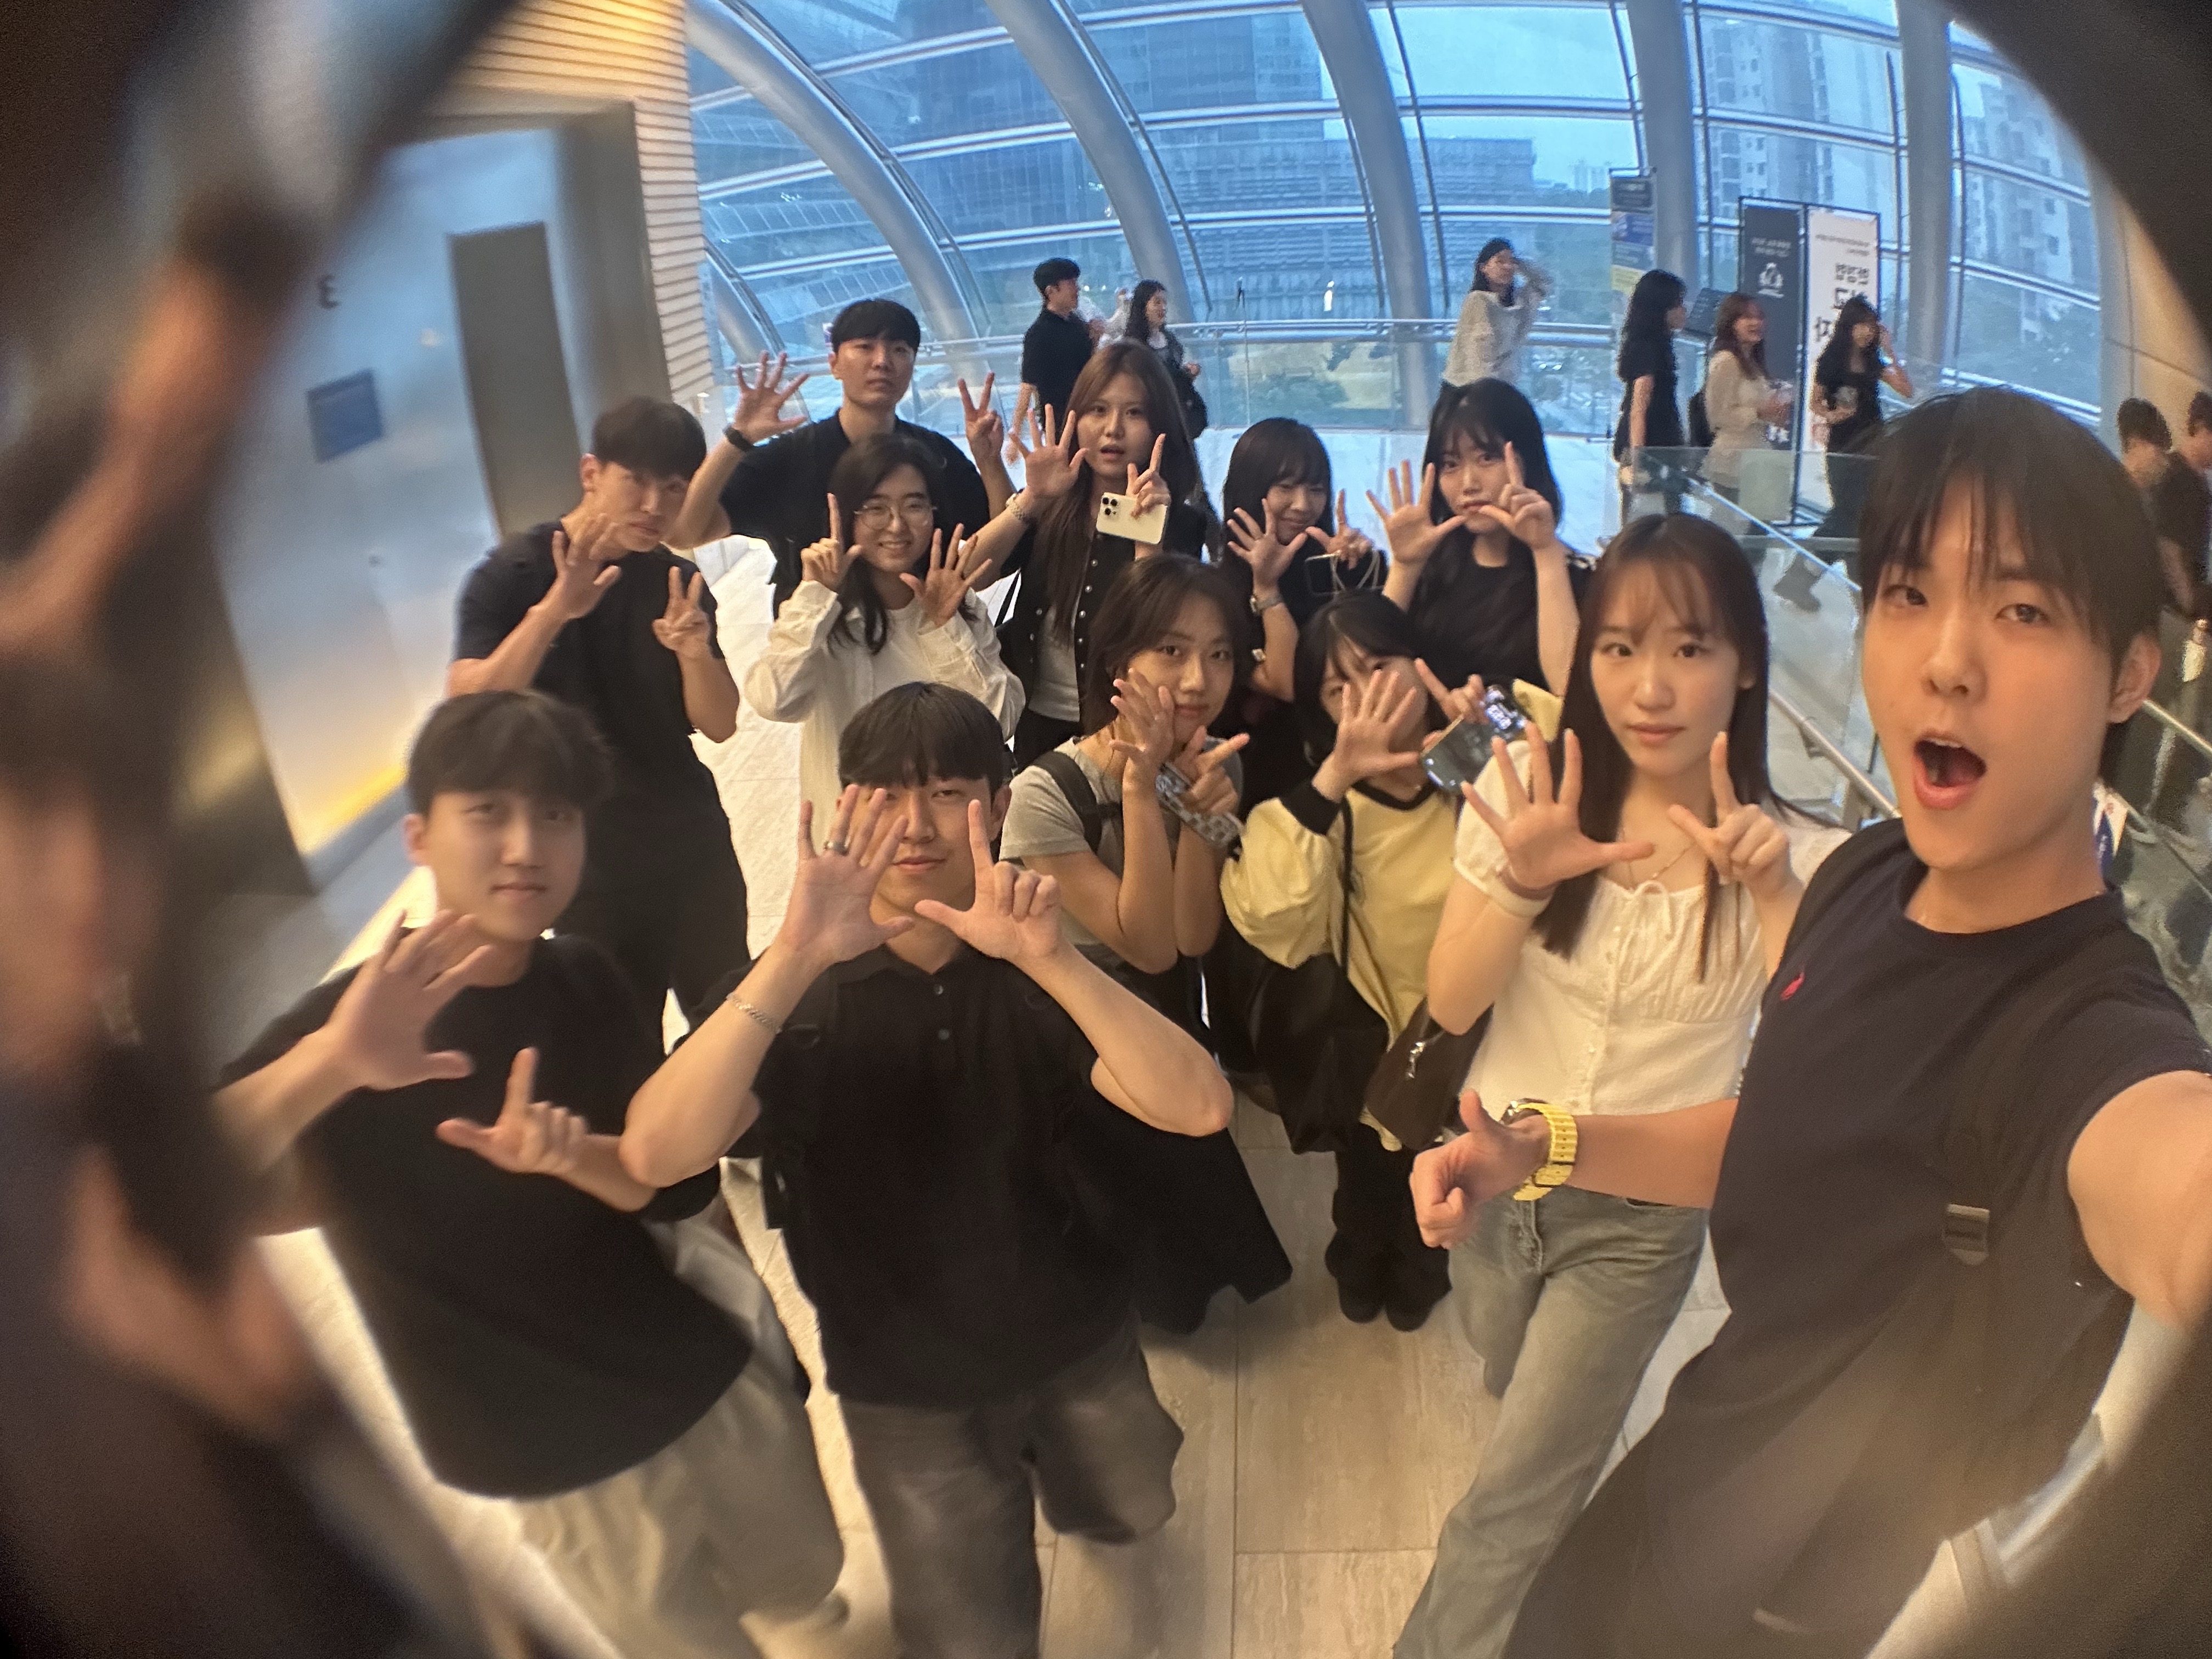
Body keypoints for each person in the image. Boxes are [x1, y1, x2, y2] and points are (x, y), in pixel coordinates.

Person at [1410, 388, 2212, 1659]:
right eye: (1907, 594)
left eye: (2021, 610)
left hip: (1792, 1602)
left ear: (2128, 674)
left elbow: (2170, 1179)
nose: (1947, 660)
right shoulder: (1866, 876)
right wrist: (1547, 1147)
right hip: (1687, 1479)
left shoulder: (2093, 1041)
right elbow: (1786, 1130)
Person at [214, 691, 845, 1659]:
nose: (525, 846)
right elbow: (182, 1186)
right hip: (544, 1442)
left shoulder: (585, 977)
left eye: (555, 814)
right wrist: (334, 1062)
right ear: (420, 835)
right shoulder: (348, 1023)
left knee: (803, 1568)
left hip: (690, 1363)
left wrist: (577, 1159)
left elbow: (656, 1188)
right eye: (488, 812)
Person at [617, 684, 1235, 1659]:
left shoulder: (1033, 969)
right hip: (903, 1382)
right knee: (969, 1631)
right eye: (887, 794)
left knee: (1129, 1503)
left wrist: (1052, 962)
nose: (915, 824)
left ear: (997, 803)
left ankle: (1100, 1521)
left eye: (948, 793)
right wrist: (793, 954)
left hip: (1077, 1334)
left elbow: (1199, 1105)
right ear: (845, 804)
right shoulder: (800, 997)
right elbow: (657, 1153)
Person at [1392, 512, 1843, 1659]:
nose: (1651, 686)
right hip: (1492, 1175)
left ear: (1747, 663)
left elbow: (1821, 1072)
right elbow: (1451, 1001)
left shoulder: (1800, 856)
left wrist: (1776, 897)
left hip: (1644, 1224)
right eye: (1620, 647)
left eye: (1691, 648)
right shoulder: (1527, 796)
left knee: (1515, 1498)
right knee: (1500, 1353)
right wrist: (1523, 882)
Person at [999, 555, 1292, 1333]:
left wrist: (1200, 821)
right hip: (1072, 1023)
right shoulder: (1045, 794)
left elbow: (1191, 938)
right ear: (1116, 662)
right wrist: (1139, 788)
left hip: (1158, 1008)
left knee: (1181, 1172)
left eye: (1220, 653)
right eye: (1171, 650)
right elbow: (1147, 946)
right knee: (1113, 1194)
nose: (1199, 679)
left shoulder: (1209, 767)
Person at [448, 396, 747, 1027]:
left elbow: (720, 725)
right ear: (592, 473)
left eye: (674, 488)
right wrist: (556, 611)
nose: (654, 506)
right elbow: (469, 706)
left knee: (727, 1025)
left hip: (692, 846)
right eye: (635, 481)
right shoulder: (514, 574)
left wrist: (694, 653)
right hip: (583, 864)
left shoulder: (675, 581)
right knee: (617, 1043)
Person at [1221, 592, 1463, 1331]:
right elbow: (1271, 920)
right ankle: (1357, 1264)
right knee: (1366, 1180)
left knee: (1444, 1182)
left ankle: (1420, 1274)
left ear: (1419, 666)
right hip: (1370, 1047)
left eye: (1379, 665)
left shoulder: (1477, 772)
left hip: (1470, 1044)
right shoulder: (1318, 813)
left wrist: (1484, 747)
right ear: (1321, 714)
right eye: (1338, 688)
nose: (1367, 696)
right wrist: (1333, 779)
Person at [742, 433, 1022, 836]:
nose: (896, 525)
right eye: (875, 508)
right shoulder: (823, 613)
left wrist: (945, 628)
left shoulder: (960, 606)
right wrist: (815, 596)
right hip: (850, 840)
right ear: (845, 516)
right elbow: (774, 701)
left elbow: (998, 724)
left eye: (914, 505)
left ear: (934, 513)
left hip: (941, 839)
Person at [668, 300, 1005, 614]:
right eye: (865, 347)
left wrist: (990, 463)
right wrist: (737, 439)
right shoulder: (791, 457)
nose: (882, 361)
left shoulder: (935, 454)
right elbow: (685, 533)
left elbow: (999, 550)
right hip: (817, 636)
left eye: (900, 350)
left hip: (922, 628)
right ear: (834, 365)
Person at [988, 341, 1206, 766]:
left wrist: (1148, 533)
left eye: (1135, 413)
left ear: (1160, 425)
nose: (1113, 429)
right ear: (1076, 417)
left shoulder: (1181, 523)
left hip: (1121, 730)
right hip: (1037, 726)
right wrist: (1031, 496)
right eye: (1098, 410)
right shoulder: (1052, 503)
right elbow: (971, 574)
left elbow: (1160, 636)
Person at [1375, 378, 1589, 698]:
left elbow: (1569, 688)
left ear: (1527, 461)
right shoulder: (1431, 563)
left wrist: (1545, 552)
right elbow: (1371, 666)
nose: (1468, 483)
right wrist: (1405, 568)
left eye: (1487, 458)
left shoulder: (1574, 574)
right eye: (1451, 464)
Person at [1209, 417, 1384, 808]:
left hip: (1345, 766)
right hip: (1258, 776)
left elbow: (1379, 658)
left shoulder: (1328, 571)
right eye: (1286, 487)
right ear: (1251, 489)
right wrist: (1267, 587)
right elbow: (1287, 682)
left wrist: (1352, 578)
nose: (1303, 505)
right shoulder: (1218, 593)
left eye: (1316, 489)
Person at [1802, 294, 1915, 556]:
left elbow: (1907, 390)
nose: (1867, 332)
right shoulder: (1831, 361)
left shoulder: (1873, 361)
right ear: (1849, 327)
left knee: (1864, 509)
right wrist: (1831, 416)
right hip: (1843, 441)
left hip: (1873, 441)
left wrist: (1891, 352)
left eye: (1872, 326)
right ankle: (1812, 563)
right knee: (1846, 510)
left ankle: (1825, 565)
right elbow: (1815, 402)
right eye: (1862, 325)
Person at [2117, 397, 2211, 616]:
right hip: (2169, 605)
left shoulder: (2199, 484)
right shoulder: (2175, 476)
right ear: (2200, 428)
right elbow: (2168, 545)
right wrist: (2189, 602)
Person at [1702, 293, 1792, 505]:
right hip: (1732, 462)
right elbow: (1717, 415)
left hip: (1758, 458)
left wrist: (1775, 413)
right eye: (1747, 318)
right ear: (1731, 323)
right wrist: (1759, 412)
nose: (1756, 323)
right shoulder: (1727, 361)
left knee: (1763, 521)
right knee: (1736, 521)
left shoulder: (1753, 362)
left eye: (1759, 317)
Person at [1613, 267, 1690, 515]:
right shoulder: (1648, 348)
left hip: (1659, 447)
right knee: (1653, 519)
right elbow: (1639, 408)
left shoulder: (1654, 344)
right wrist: (1639, 460)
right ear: (1661, 308)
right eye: (1678, 304)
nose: (1684, 311)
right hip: (1651, 448)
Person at [1446, 238, 1553, 390]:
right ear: (1483, 267)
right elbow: (1479, 352)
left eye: (1511, 262)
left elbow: (1544, 282)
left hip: (1504, 385)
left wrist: (1520, 264)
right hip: (1473, 389)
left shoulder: (1520, 301)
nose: (1508, 267)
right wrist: (1488, 392)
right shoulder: (1478, 300)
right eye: (1500, 262)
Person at [1108, 278, 1207, 439]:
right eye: (1157, 302)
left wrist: (1186, 375)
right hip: (1149, 419)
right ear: (1143, 306)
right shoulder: (1133, 345)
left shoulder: (1170, 339)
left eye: (1164, 303)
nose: (1163, 308)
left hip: (1175, 414)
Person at [1014, 256, 1100, 444]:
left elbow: (1087, 366)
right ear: (1051, 291)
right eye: (1071, 283)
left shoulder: (1076, 323)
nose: (1077, 289)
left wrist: (1095, 340)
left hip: (1087, 413)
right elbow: (1028, 385)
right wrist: (1015, 437)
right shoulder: (1039, 333)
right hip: (1060, 422)